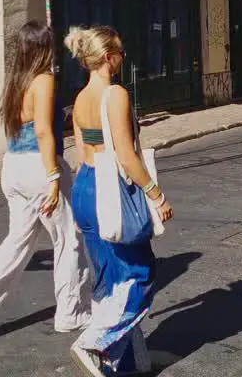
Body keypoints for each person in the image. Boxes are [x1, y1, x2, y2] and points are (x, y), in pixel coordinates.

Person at [0, 21, 90, 348]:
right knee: (69, 236)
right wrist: (54, 177)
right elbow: (42, 132)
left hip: (14, 167)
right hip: (39, 166)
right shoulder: (43, 80)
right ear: (43, 48)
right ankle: (72, 311)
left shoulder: (16, 82)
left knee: (15, 246)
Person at [65, 26, 174, 376]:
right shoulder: (115, 94)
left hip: (85, 185)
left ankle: (126, 363)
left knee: (111, 278)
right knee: (138, 274)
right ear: (108, 57)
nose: (123, 59)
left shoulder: (81, 97)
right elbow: (126, 156)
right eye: (121, 53)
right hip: (110, 187)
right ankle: (95, 344)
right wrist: (156, 195)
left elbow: (81, 152)